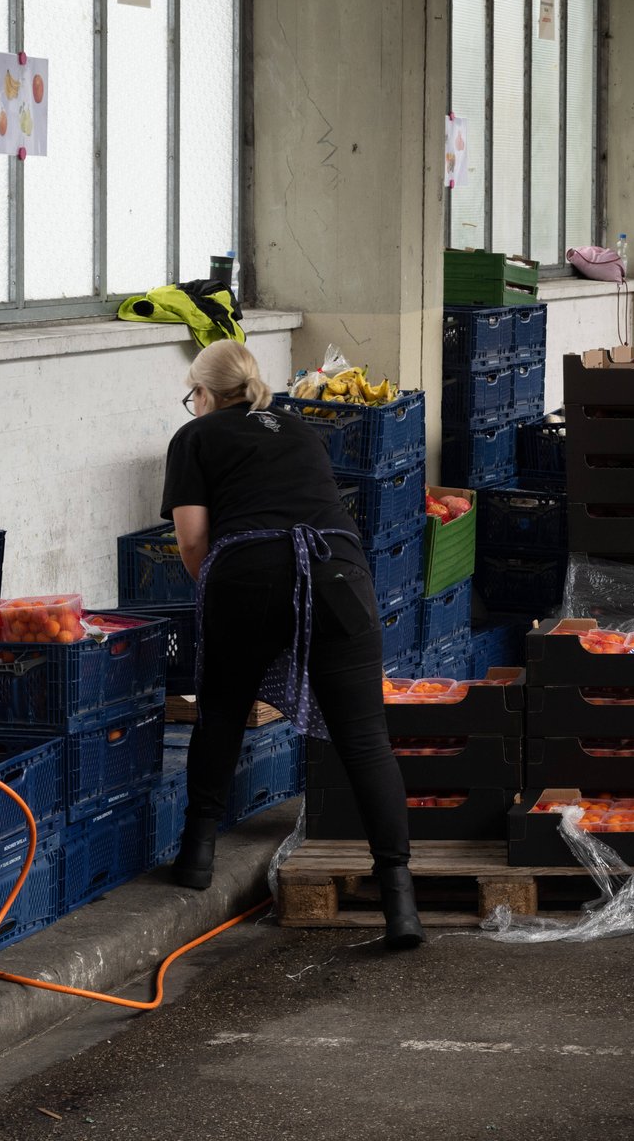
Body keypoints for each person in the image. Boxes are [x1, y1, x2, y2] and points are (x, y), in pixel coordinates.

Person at [161, 341, 421, 949]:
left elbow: (194, 543)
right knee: (365, 738)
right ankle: (400, 902)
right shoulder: (303, 431)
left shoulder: (194, 438)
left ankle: (197, 856)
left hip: (248, 571)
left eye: (192, 395)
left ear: (203, 393)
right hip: (339, 574)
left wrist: (236, 602)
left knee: (223, 712)